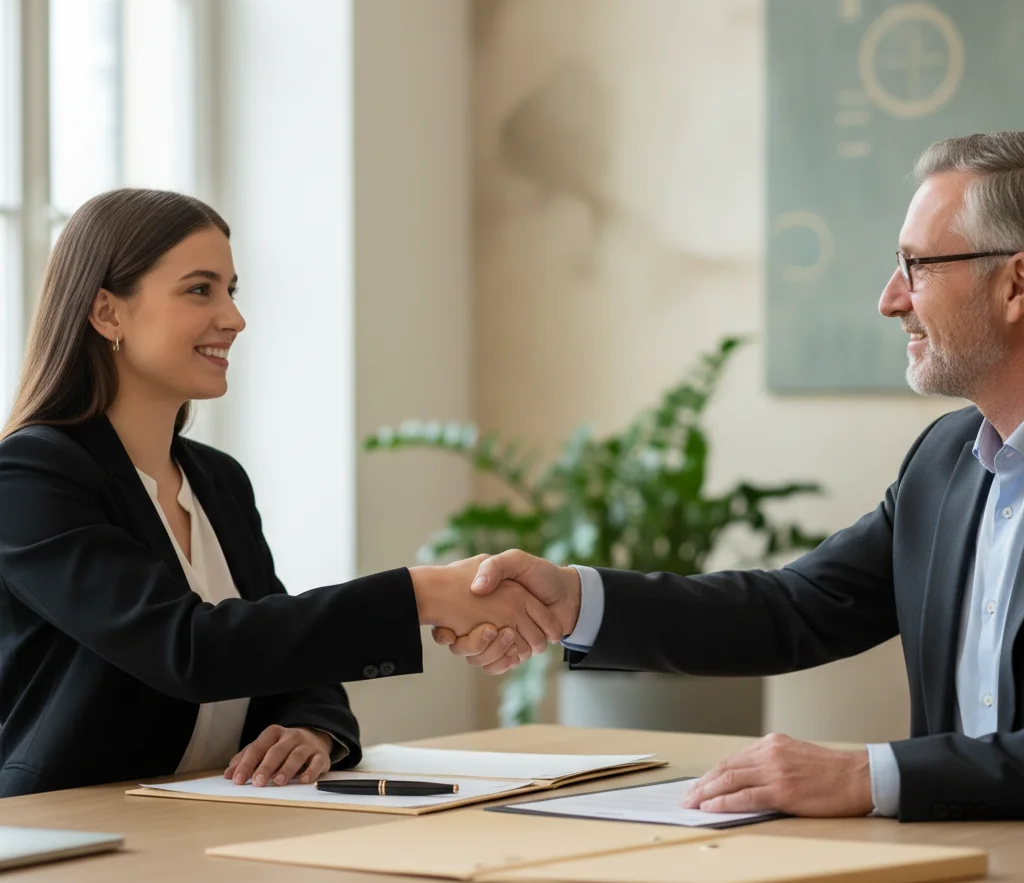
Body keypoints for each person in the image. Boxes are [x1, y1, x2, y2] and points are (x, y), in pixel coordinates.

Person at [439, 131, 1024, 824]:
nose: (891, 299)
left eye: (917, 266)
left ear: (1015, 284)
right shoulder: (944, 463)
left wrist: (871, 776)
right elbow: (793, 610)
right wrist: (572, 599)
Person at [0, 188, 556, 798]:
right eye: (199, 289)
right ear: (108, 313)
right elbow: (187, 648)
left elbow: (287, 660)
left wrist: (311, 729)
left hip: (213, 819)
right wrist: (420, 593)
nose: (234, 318)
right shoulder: (30, 476)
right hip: (70, 829)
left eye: (231, 290)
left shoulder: (218, 481)